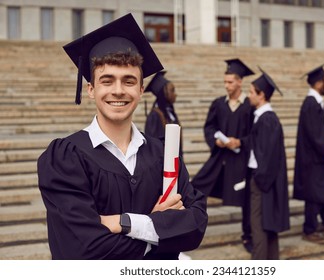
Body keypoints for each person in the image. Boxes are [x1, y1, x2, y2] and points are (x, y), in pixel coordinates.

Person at [37, 13, 207, 260]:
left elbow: (196, 225)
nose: (118, 90)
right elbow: (83, 251)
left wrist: (124, 223)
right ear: (91, 89)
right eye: (107, 81)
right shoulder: (65, 158)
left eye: (128, 81)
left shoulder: (163, 154)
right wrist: (159, 231)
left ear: (140, 89)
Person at [191, 58, 254, 252]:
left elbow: (256, 134)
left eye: (230, 82)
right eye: (225, 82)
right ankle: (190, 231)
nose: (226, 86)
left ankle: (249, 236)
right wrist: (215, 140)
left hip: (241, 159)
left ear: (240, 82)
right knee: (195, 188)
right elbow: (209, 127)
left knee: (247, 199)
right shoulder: (219, 104)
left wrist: (241, 142)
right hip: (220, 157)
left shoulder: (250, 106)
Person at [293, 63, 324, 245]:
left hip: (316, 158)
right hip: (313, 159)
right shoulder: (311, 104)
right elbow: (316, 136)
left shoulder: (315, 103)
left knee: (321, 192)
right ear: (318, 84)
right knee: (313, 195)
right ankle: (309, 229)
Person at [247, 68, 290, 259]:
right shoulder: (264, 118)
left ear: (262, 95)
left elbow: (269, 156)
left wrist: (259, 180)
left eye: (251, 92)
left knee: (258, 227)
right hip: (267, 181)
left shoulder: (267, 120)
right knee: (268, 226)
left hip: (263, 182)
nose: (248, 96)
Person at [144, 71, 181, 141]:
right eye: (172, 90)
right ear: (163, 93)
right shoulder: (154, 116)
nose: (175, 94)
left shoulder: (170, 112)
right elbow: (151, 143)